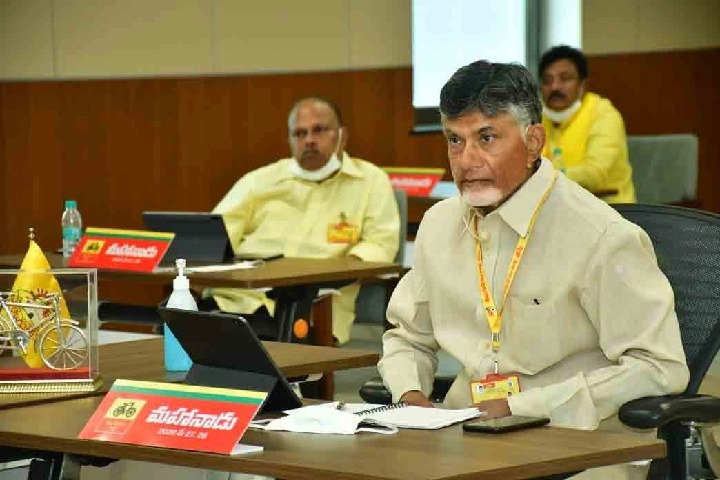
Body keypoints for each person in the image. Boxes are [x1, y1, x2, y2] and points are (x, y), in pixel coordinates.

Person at [377, 60, 688, 479]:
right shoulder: (438, 224)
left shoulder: (601, 235)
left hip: (581, 442)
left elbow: (659, 368)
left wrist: (521, 406)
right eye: (455, 140)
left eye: (486, 138)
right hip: (466, 433)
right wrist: (410, 393)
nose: (466, 160)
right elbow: (407, 336)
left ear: (533, 141)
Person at [205, 97, 400, 345]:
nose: (309, 140)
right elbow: (213, 237)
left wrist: (336, 271)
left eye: (319, 130)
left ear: (342, 136)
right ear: (290, 140)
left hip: (312, 309)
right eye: (300, 133)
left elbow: (381, 244)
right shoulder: (261, 180)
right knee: (180, 326)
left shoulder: (370, 182)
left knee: (249, 350)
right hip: (237, 299)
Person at [539, 45, 636, 203]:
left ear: (582, 84)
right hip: (556, 207)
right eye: (547, 81)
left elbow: (595, 174)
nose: (554, 87)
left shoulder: (603, 114)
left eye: (565, 78)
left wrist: (540, 178)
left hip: (608, 208)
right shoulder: (536, 118)